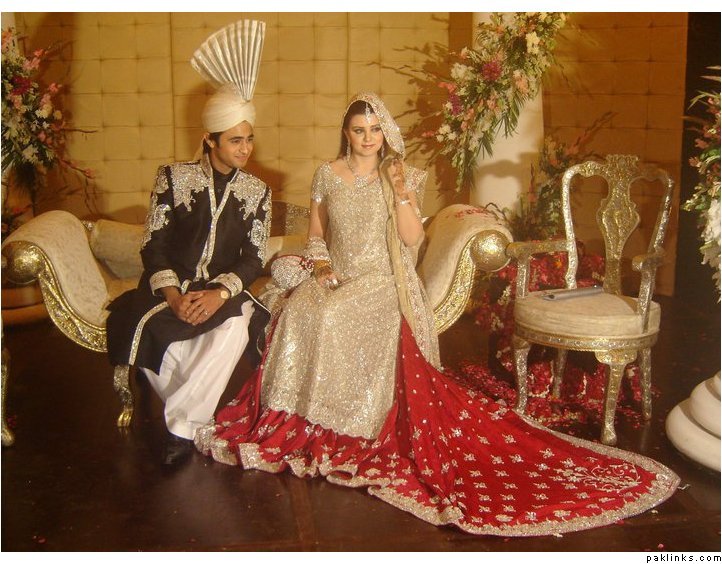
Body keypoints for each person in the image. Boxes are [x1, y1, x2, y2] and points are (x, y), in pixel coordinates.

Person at [195, 92, 680, 536]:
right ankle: (302, 421)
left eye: (375, 130)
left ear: (385, 133)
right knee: (304, 307)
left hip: (383, 279)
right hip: (337, 273)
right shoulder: (328, 174)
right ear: (346, 133)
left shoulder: (401, 175)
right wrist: (321, 266)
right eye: (359, 130)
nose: (368, 138)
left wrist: (400, 191)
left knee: (336, 316)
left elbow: (412, 239)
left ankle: (350, 424)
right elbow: (317, 233)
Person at [106, 20, 271, 467]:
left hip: (220, 292)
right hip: (168, 290)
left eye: (249, 138)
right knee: (156, 335)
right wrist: (174, 297)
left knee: (236, 326)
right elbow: (152, 245)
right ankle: (194, 421)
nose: (245, 149)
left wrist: (219, 294)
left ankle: (181, 426)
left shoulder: (257, 191)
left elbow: (253, 258)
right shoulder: (173, 178)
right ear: (209, 139)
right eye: (235, 140)